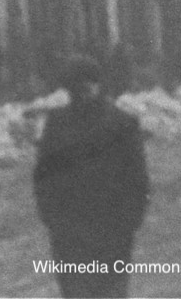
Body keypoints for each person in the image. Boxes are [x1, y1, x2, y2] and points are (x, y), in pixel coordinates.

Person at [34, 56, 149, 298]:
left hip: (111, 234)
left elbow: (137, 181)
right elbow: (44, 179)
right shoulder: (58, 124)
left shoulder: (122, 124)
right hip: (71, 235)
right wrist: (54, 221)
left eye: (88, 85)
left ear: (99, 85)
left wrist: (128, 223)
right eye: (76, 87)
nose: (84, 92)